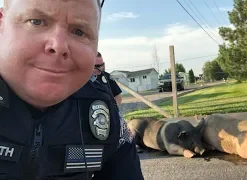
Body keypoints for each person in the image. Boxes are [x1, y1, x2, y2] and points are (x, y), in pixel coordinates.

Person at [0, 0, 144, 179]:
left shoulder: (104, 113)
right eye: (36, 21)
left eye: (79, 31)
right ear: (1, 24)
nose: (59, 46)